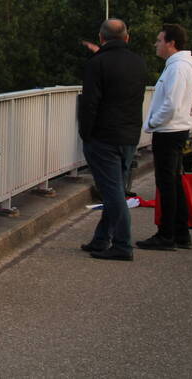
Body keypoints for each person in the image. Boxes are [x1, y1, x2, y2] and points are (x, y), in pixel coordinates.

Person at [78, 18, 147, 261]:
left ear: (101, 37)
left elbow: (90, 103)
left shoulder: (97, 64)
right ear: (127, 37)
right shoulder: (139, 63)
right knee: (115, 188)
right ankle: (101, 239)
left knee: (113, 192)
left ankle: (122, 244)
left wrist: (86, 134)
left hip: (104, 136)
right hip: (129, 135)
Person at [136, 24, 192, 250]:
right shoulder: (181, 66)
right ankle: (180, 233)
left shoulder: (177, 68)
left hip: (168, 131)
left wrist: (152, 123)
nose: (156, 44)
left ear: (171, 43)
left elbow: (171, 104)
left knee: (167, 184)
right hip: (175, 129)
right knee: (174, 182)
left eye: (159, 40)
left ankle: (166, 235)